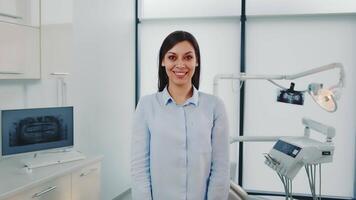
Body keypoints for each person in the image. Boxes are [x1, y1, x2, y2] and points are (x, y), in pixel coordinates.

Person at [131, 30, 230, 200]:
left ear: (196, 61)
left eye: (188, 57)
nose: (180, 64)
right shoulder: (146, 105)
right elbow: (140, 168)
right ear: (163, 61)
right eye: (172, 57)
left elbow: (220, 168)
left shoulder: (215, 106)